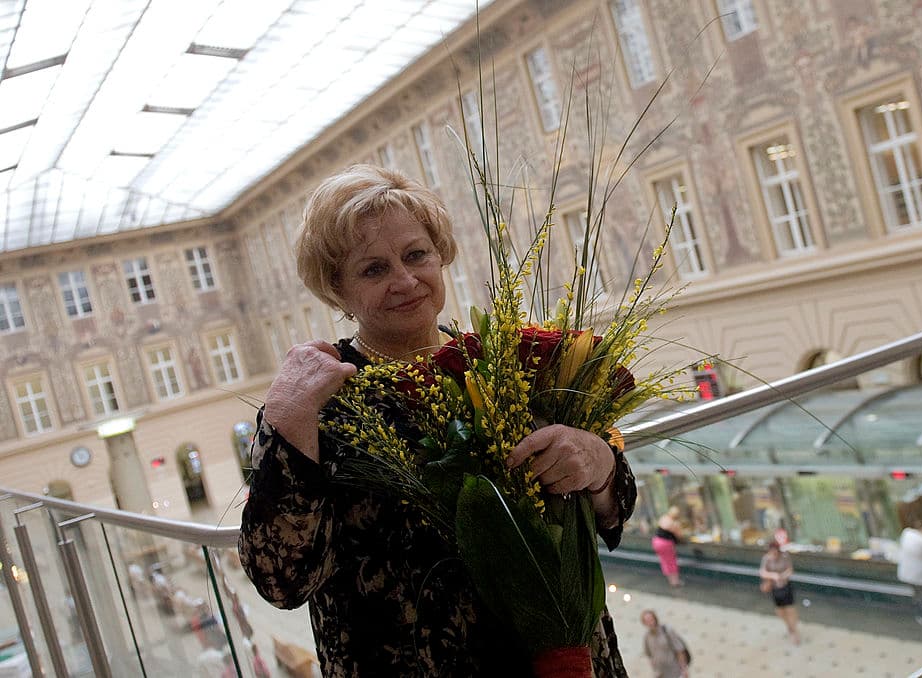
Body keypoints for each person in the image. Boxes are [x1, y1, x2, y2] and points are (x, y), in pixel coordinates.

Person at [238, 164, 637, 677]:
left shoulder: (512, 361)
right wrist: (287, 422)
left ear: (440, 253)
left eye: (415, 255)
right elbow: (280, 579)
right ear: (338, 290)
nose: (405, 280)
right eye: (373, 269)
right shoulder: (319, 401)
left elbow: (613, 509)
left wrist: (600, 466)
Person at [759, 541, 800, 644]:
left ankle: (793, 631)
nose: (774, 554)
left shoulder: (785, 557)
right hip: (775, 588)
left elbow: (790, 570)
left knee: (790, 609)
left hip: (785, 586)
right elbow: (762, 572)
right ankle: (789, 627)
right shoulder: (766, 558)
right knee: (780, 611)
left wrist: (781, 576)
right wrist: (773, 575)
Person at [640, 609, 690, 678]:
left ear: (655, 619)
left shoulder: (667, 631)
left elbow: (680, 650)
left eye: (651, 619)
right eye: (647, 621)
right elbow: (649, 655)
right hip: (660, 673)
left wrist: (684, 670)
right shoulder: (647, 637)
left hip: (674, 671)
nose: (650, 623)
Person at [651, 506, 687, 587]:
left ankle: (671, 580)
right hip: (665, 544)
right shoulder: (674, 524)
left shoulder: (663, 518)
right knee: (671, 562)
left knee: (664, 561)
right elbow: (679, 535)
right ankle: (675, 581)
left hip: (656, 541)